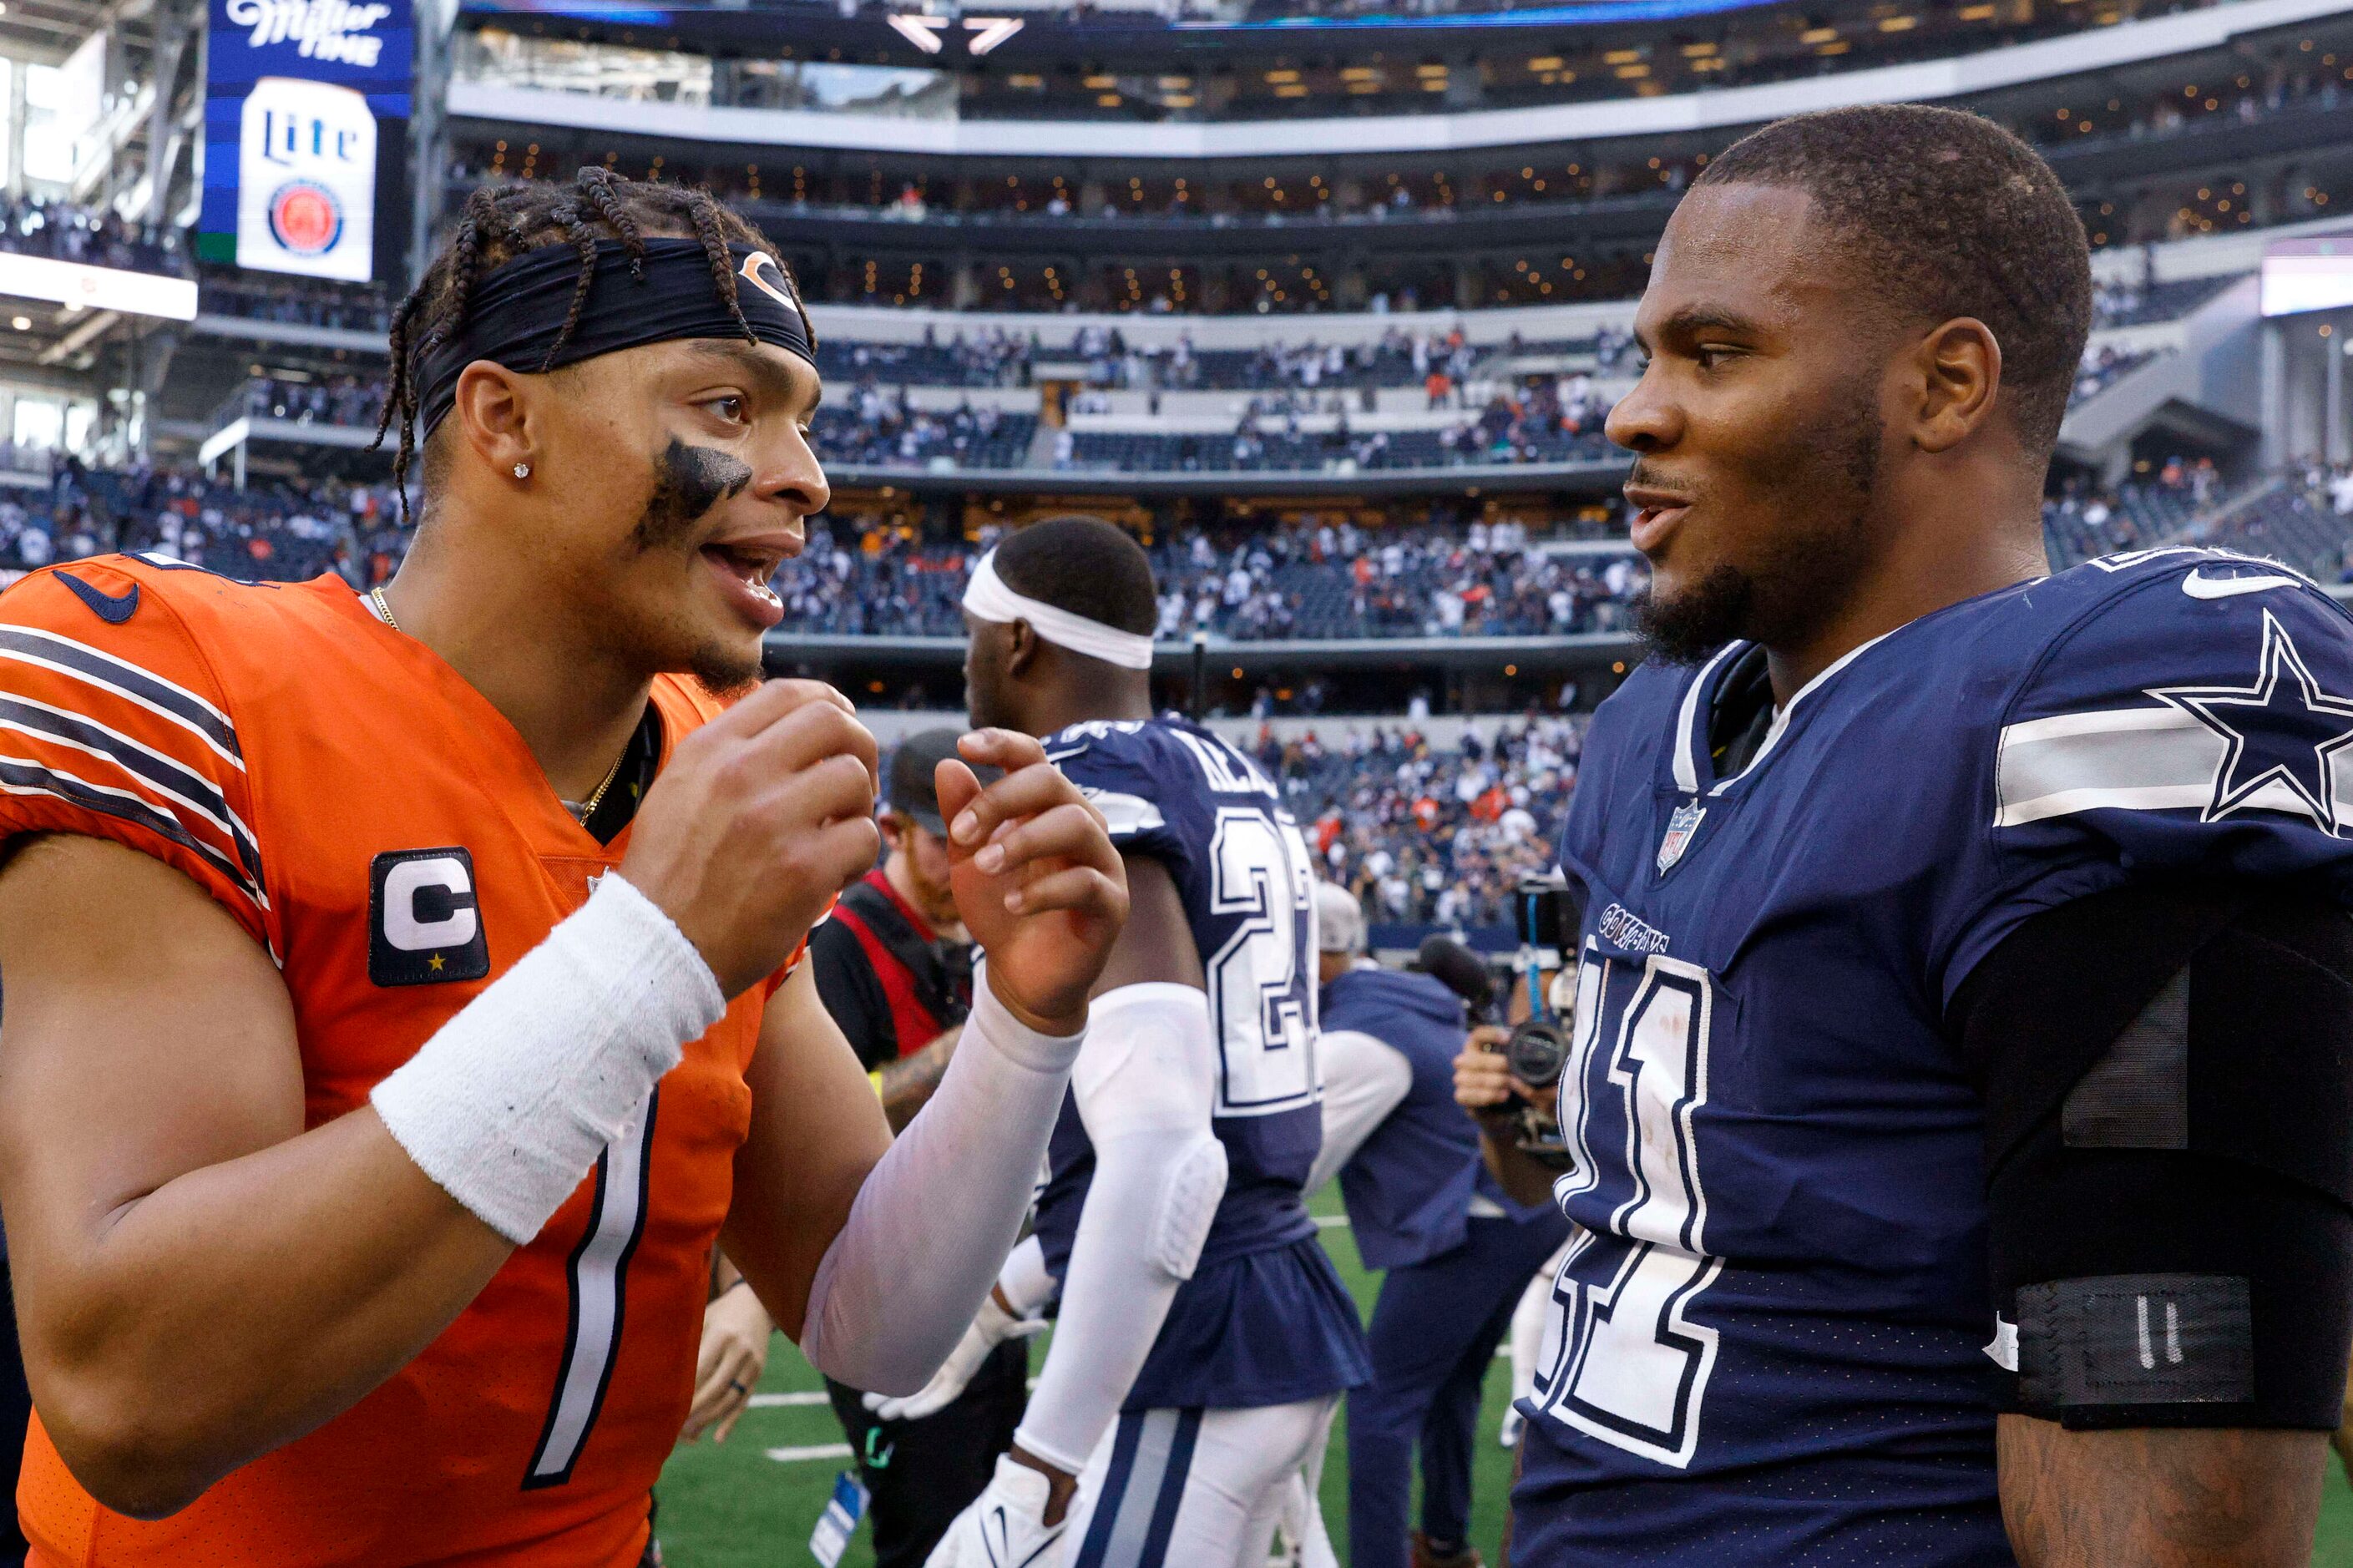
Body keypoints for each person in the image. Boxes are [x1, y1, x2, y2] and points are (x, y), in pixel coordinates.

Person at [0, 170, 1131, 1565]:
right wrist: (650, 945)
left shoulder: (703, 755)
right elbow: (133, 1392)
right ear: (505, 420)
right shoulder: (189, 684)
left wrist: (1024, 1027)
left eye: (802, 421)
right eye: (727, 406)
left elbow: (874, 1318)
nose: (806, 477)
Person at [1460, 104, 2353, 1566]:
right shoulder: (1647, 731)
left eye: (1713, 351)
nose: (1630, 409)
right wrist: (1524, 1119)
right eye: (1643, 355)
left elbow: (2163, 1523)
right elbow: (1595, 1161)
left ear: (1943, 385)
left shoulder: (2080, 717)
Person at [929, 515, 1370, 1568]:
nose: (966, 660)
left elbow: (1165, 1146)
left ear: (1018, 643)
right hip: (1246, 1304)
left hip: (1186, 1336)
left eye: (971, 634)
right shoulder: (1222, 768)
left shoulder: (1082, 784)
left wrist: (1042, 1458)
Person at [802, 727, 1033, 1567]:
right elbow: (825, 1120)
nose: (968, 863)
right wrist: (980, 1048)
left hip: (991, 1277)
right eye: (944, 843)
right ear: (894, 832)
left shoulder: (985, 927)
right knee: (928, 1532)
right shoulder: (841, 943)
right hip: (887, 1285)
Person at [1305, 904, 1566, 1568]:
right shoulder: (1405, 995)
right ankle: (1444, 1544)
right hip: (1519, 1211)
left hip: (1475, 1212)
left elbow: (1296, 1163)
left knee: (1378, 1402)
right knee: (1451, 1383)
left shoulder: (1362, 1029)